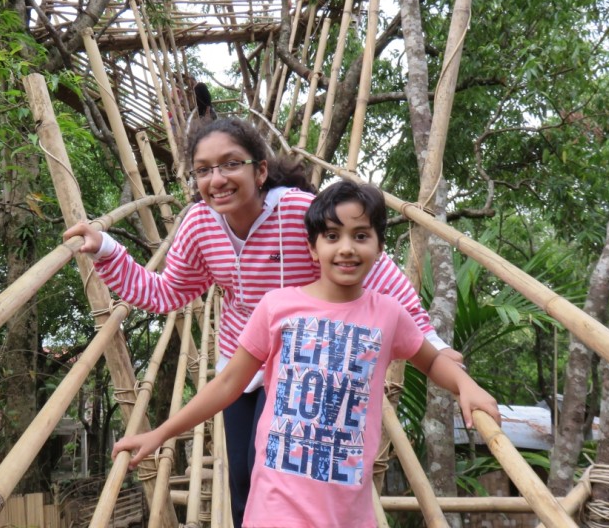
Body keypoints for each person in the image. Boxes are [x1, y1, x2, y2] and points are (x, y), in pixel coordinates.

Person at [63, 117, 463, 527]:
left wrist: (433, 343)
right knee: (241, 477)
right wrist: (106, 249)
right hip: (242, 356)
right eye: (204, 170)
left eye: (230, 164)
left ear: (260, 171)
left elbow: (376, 274)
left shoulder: (297, 210)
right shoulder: (199, 224)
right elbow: (167, 292)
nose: (217, 179)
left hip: (301, 360)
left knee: (269, 464)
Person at [112, 181, 499, 527]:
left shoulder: (388, 314)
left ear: (379, 247)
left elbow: (430, 359)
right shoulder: (277, 306)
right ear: (312, 247)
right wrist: (161, 434)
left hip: (347, 510)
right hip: (276, 504)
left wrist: (465, 385)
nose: (346, 248)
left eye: (360, 236)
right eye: (331, 236)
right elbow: (229, 383)